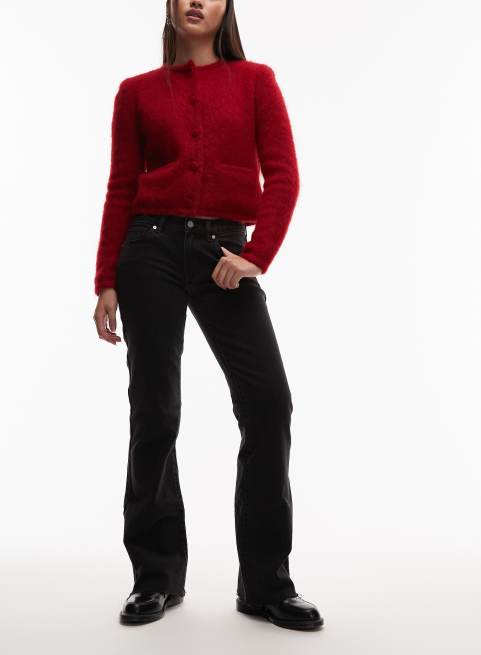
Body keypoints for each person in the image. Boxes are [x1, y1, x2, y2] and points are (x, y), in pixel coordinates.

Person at [93, 0, 324, 631]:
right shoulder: (136, 92)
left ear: (227, 8)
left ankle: (267, 584)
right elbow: (121, 186)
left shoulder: (256, 81)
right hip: (149, 250)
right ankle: (156, 577)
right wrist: (106, 278)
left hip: (225, 249)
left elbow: (283, 177)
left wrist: (255, 256)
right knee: (155, 408)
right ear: (170, 5)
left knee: (268, 402)